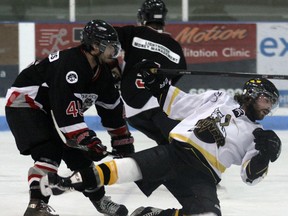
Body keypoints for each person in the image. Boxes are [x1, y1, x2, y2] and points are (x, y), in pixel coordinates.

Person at [40, 64, 282, 216]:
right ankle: (69, 181)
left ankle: (152, 214)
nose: (268, 107)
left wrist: (264, 154)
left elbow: (250, 177)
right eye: (266, 100)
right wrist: (157, 84)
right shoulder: (219, 99)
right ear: (251, 95)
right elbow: (177, 105)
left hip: (203, 176)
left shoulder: (258, 136)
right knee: (127, 168)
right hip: (176, 153)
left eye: (272, 104)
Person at [5, 19, 134, 216]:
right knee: (49, 151)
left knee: (81, 160)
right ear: (94, 47)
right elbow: (66, 115)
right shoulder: (70, 65)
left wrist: (121, 141)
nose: (114, 53)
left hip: (52, 109)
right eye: (109, 47)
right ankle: (36, 206)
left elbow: (112, 110)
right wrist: (88, 140)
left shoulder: (104, 73)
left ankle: (100, 200)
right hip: (25, 103)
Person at [113, 0, 187, 147]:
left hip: (132, 110)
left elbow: (109, 37)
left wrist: (112, 65)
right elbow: (179, 71)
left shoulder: (134, 33)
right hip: (158, 105)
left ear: (143, 16)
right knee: (178, 146)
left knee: (165, 145)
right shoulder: (174, 46)